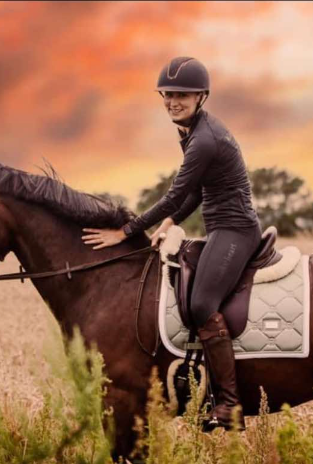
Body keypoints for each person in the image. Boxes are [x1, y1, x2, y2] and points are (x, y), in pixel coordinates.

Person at [81, 56, 262, 431]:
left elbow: (174, 193)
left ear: (201, 96)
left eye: (181, 94)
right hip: (220, 228)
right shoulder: (193, 130)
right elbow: (194, 194)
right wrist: (170, 221)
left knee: (200, 303)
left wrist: (126, 231)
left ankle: (229, 404)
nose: (172, 101)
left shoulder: (204, 139)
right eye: (167, 94)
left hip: (236, 230)